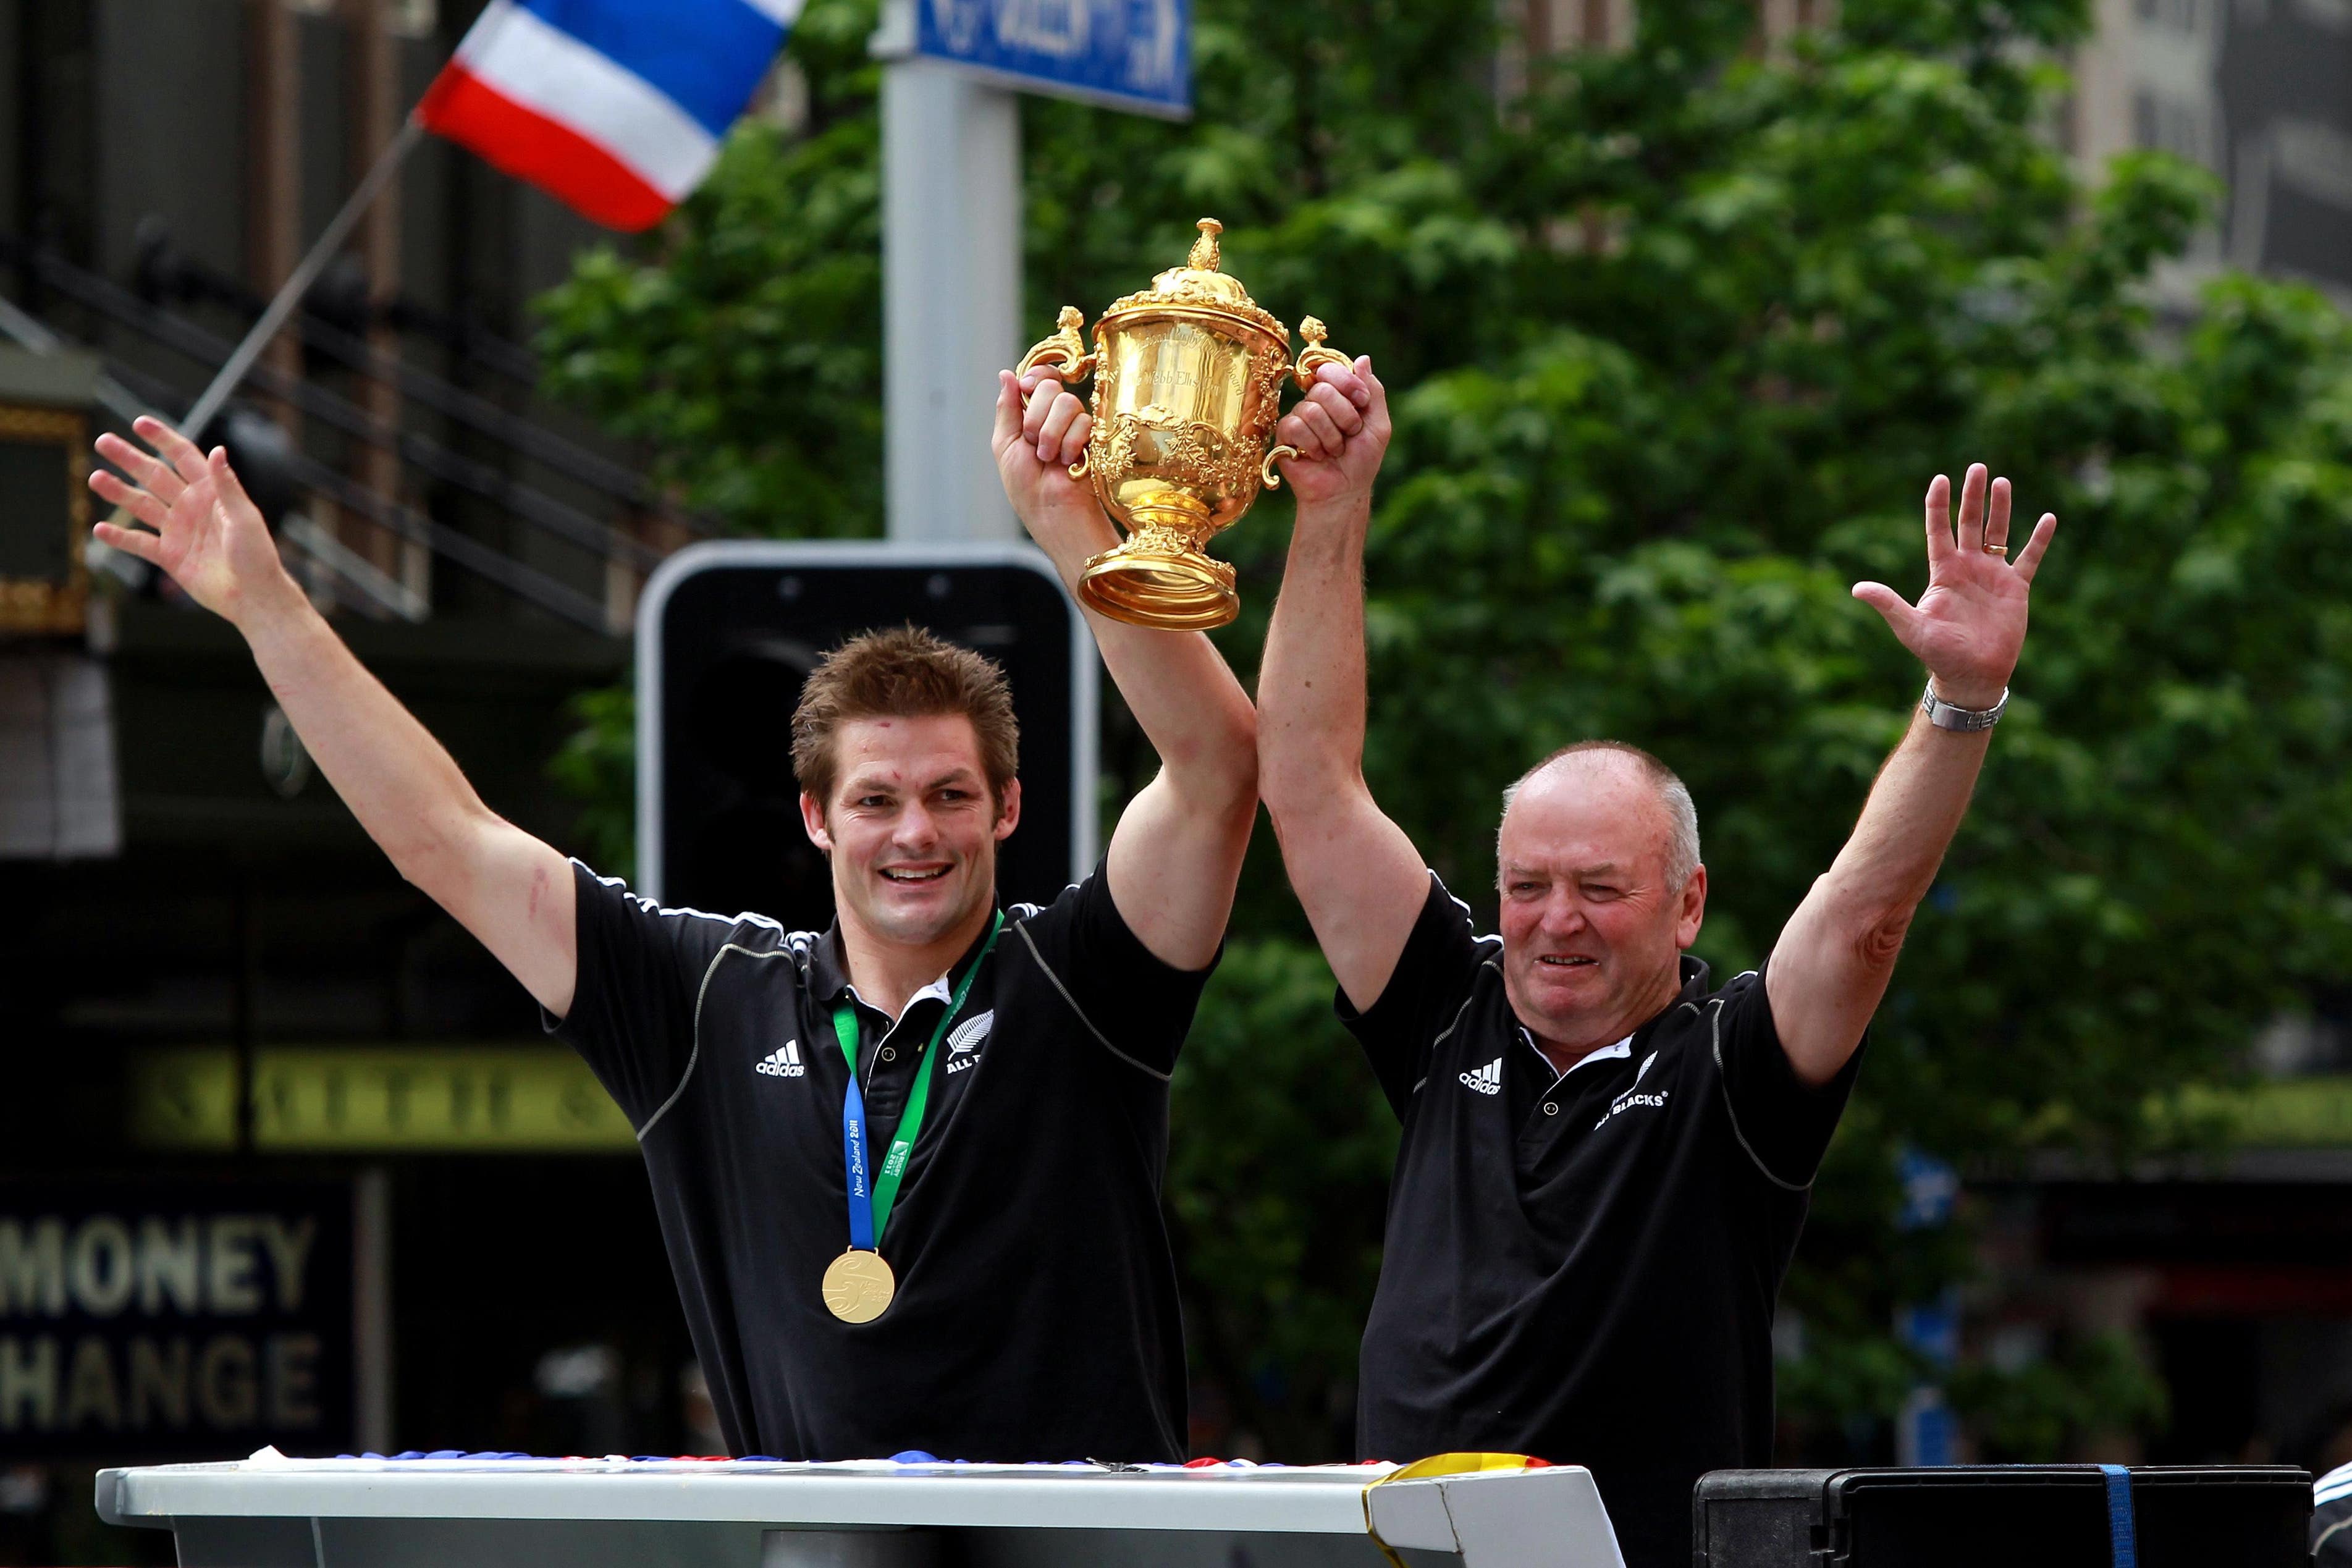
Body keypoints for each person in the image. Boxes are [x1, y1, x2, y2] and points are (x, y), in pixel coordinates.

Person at [85, 387, 1257, 1463]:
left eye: (952, 795)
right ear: (815, 818)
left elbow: (1217, 770)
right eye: (877, 800)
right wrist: (267, 604)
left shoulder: (1082, 981)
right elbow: (447, 839)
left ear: (1006, 804)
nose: (917, 833)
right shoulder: (707, 998)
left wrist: (1068, 527)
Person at [1252, 359, 2057, 1567]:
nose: (1553, 921)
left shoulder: (1731, 1062)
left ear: (1686, 904)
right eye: (1525, 886)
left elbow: (1863, 912)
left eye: (1598, 889)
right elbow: (1308, 789)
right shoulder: (1442, 1009)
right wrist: (1330, 508)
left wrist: (1957, 697)